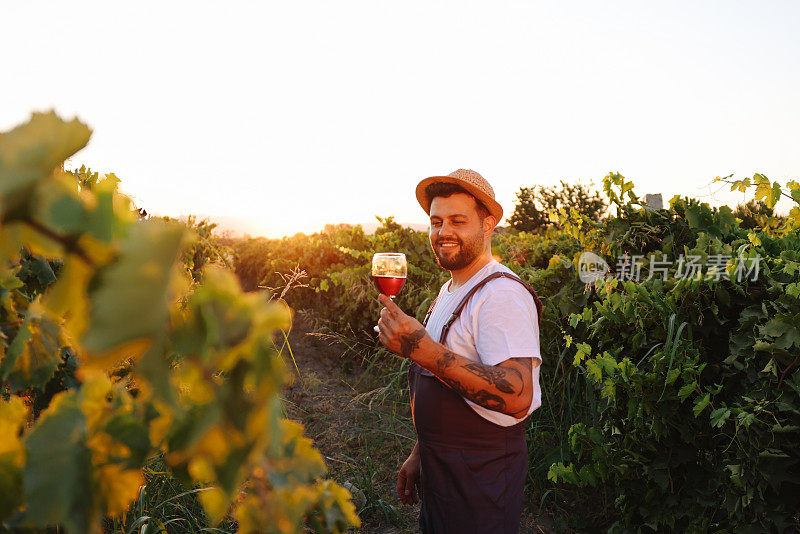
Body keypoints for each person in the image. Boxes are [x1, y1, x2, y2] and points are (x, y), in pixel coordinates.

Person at [377, 169, 543, 534]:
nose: (443, 232)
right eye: (436, 222)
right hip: (443, 469)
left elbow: (516, 393)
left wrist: (423, 350)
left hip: (480, 476)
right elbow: (443, 377)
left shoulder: (500, 295)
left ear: (488, 225)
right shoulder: (451, 290)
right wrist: (421, 453)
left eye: (457, 220)